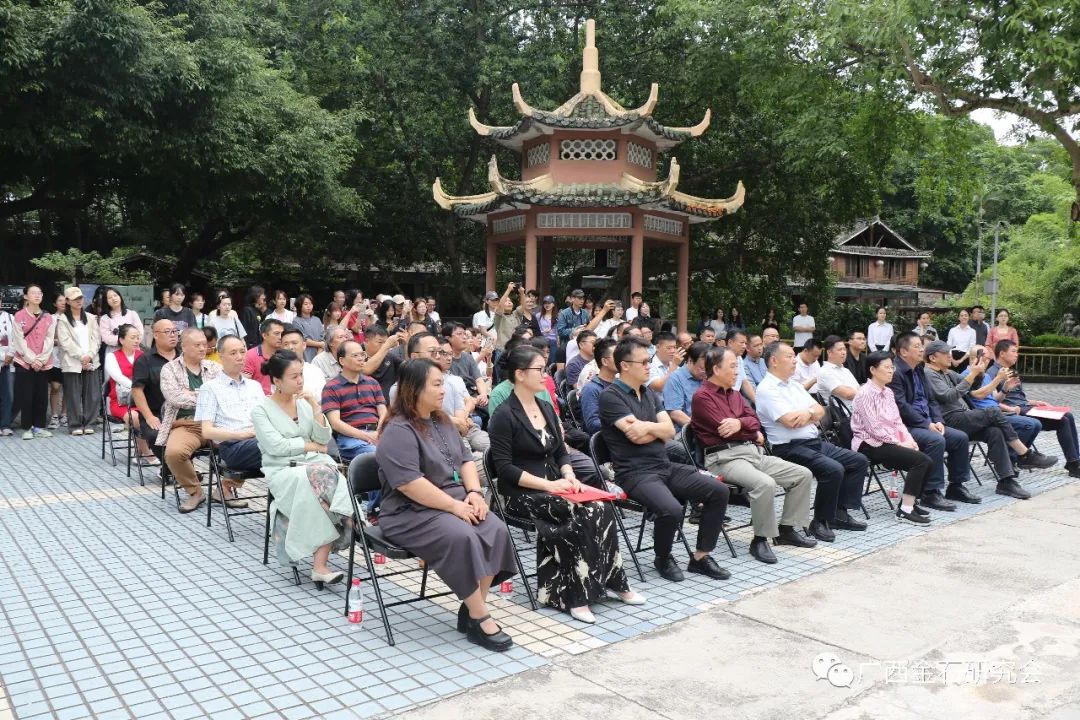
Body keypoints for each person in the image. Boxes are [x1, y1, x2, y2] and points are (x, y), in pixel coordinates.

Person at [489, 345, 643, 623]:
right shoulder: (504, 414)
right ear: (520, 374)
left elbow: (560, 450)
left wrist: (569, 474)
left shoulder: (545, 407)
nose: (545, 375)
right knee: (578, 512)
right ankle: (574, 594)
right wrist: (549, 486)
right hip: (522, 492)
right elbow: (505, 469)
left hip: (555, 482)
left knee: (602, 507)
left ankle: (614, 581)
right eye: (539, 369)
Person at [375, 358, 518, 651]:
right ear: (415, 388)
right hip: (409, 510)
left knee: (495, 529)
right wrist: (455, 507)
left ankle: (473, 607)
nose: (444, 390)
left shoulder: (441, 420)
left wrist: (474, 493)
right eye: (437, 384)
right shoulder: (398, 430)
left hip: (452, 500)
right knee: (462, 536)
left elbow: (465, 460)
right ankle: (480, 617)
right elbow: (409, 484)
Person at [598, 336, 731, 583]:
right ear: (624, 365)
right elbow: (634, 435)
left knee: (719, 491)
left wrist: (648, 428)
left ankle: (700, 557)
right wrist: (655, 429)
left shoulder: (648, 393)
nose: (649, 366)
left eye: (648, 361)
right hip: (634, 473)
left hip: (663, 465)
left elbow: (669, 431)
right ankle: (663, 557)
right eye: (643, 362)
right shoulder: (610, 396)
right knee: (671, 509)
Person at [692, 347, 816, 563]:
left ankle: (787, 529)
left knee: (802, 475)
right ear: (716, 369)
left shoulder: (735, 394)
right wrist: (748, 429)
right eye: (732, 367)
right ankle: (760, 539)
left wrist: (740, 424)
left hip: (752, 452)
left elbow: (755, 421)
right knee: (765, 484)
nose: (737, 372)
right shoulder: (702, 397)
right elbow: (724, 429)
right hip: (724, 458)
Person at [253, 350, 352, 586]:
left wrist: (316, 407)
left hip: (315, 465)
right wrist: (311, 446)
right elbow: (276, 446)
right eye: (294, 377)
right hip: (283, 470)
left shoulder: (304, 403)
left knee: (322, 476)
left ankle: (320, 565)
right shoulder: (261, 410)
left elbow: (324, 438)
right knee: (321, 477)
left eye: (301, 375)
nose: (300, 381)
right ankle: (350, 521)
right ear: (277, 381)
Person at [756, 341, 868, 542]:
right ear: (774, 361)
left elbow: (820, 410)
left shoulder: (793, 385)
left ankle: (839, 513)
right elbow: (790, 421)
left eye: (794, 356)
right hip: (788, 448)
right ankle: (820, 521)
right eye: (789, 356)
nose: (794, 360)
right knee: (832, 469)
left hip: (813, 442)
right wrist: (810, 414)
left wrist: (806, 414)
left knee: (858, 461)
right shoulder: (767, 389)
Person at [922, 339, 1054, 499]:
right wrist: (972, 374)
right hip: (949, 420)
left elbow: (973, 387)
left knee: (994, 432)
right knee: (993, 412)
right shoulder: (928, 374)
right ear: (932, 357)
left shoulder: (947, 373)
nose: (950, 356)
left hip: (963, 417)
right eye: (945, 353)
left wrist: (979, 372)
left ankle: (1006, 481)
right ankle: (1024, 454)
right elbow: (949, 396)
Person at [888, 332, 972, 509]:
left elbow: (931, 400)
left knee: (960, 438)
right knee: (936, 440)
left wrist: (938, 420)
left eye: (921, 345)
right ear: (903, 352)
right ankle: (930, 492)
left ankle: (956, 486)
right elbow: (901, 406)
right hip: (905, 426)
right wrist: (927, 424)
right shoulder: (896, 373)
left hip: (927, 422)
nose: (922, 350)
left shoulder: (919, 369)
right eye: (917, 346)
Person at [849, 352, 934, 524]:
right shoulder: (865, 393)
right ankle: (905, 511)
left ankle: (910, 503)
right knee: (920, 461)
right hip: (869, 443)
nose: (891, 371)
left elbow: (897, 421)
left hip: (888, 440)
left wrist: (909, 440)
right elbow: (873, 428)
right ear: (873, 370)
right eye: (886, 367)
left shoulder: (888, 392)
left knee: (927, 460)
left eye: (892, 367)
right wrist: (899, 443)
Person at [986, 339, 1080, 477]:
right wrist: (1011, 407)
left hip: (1026, 408)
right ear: (1002, 353)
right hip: (1015, 412)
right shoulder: (992, 373)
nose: (1016, 354)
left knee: (1067, 416)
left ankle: (1074, 461)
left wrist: (1036, 402)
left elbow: (1019, 397)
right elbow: (991, 401)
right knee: (1063, 420)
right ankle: (1072, 464)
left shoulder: (1011, 371)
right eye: (1013, 351)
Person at [159, 328, 223, 512]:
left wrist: (191, 394)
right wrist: (206, 396)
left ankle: (225, 489)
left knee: (250, 444)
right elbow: (174, 398)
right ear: (184, 347)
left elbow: (225, 395)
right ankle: (195, 492)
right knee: (174, 453)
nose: (203, 348)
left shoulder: (215, 367)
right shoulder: (170, 369)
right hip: (187, 424)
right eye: (197, 345)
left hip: (217, 422)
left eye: (204, 344)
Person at [195, 335, 265, 503]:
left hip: (260, 441)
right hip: (233, 446)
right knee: (281, 449)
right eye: (233, 353)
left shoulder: (255, 386)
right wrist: (242, 435)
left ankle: (225, 488)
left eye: (242, 351)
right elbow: (207, 431)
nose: (240, 357)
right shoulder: (210, 388)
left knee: (287, 449)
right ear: (221, 356)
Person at [322, 340, 386, 465]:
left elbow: (383, 412)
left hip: (376, 433)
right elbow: (335, 423)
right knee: (381, 454)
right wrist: (366, 436)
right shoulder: (331, 387)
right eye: (355, 355)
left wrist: (379, 431)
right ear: (342, 361)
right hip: (351, 438)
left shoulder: (372, 382)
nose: (361, 359)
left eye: (362, 355)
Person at [103, 324, 155, 463]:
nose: (136, 340)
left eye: (138, 337)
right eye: (132, 337)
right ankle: (147, 453)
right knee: (135, 417)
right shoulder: (112, 357)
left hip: (143, 399)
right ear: (121, 340)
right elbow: (118, 377)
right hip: (121, 402)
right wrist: (137, 388)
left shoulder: (143, 356)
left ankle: (138, 452)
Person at [10, 284, 56, 440]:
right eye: (33, 293)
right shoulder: (19, 316)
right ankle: (27, 427)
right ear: (26, 296)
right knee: (26, 396)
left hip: (43, 363)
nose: (37, 295)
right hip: (24, 362)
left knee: (41, 396)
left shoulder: (48, 317)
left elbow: (49, 339)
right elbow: (19, 340)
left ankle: (39, 427)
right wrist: (31, 359)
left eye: (39, 293)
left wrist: (41, 359)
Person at [55, 287, 102, 436]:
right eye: (75, 299)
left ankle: (90, 423)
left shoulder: (91, 318)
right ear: (68, 301)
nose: (79, 301)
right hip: (72, 361)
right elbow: (65, 342)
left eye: (80, 298)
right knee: (73, 394)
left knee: (92, 394)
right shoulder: (63, 320)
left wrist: (90, 355)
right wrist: (81, 357)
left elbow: (96, 339)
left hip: (91, 359)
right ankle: (74, 424)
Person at [434, 337, 489, 454]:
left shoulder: (456, 379)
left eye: (450, 354)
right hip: (447, 430)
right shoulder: (427, 382)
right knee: (473, 457)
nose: (449, 358)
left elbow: (470, 402)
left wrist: (464, 417)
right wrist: (459, 421)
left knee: (493, 447)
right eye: (444, 354)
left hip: (468, 426)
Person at [131, 319, 179, 452]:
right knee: (157, 437)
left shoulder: (184, 357)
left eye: (175, 331)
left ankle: (179, 464)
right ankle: (170, 464)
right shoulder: (144, 360)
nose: (173, 335)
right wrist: (149, 417)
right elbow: (137, 390)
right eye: (167, 332)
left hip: (183, 414)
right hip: (156, 413)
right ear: (156, 335)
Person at [443, 321, 490, 410]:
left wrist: (483, 395)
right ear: (448, 338)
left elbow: (479, 380)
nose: (464, 337)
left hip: (474, 395)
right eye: (459, 334)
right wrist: (473, 400)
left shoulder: (468, 357)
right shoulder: (445, 361)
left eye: (464, 334)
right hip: (458, 401)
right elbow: (455, 392)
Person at [663, 342, 710, 429]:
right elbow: (674, 413)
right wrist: (700, 429)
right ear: (690, 361)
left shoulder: (710, 376)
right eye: (702, 368)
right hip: (688, 429)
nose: (706, 373)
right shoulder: (675, 378)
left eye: (709, 369)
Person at [280, 325, 327, 400]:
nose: (290, 347)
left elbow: (323, 400)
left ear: (304, 345)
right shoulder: (277, 372)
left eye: (294, 343)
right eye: (286, 344)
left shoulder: (315, 371)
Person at [580, 338, 616, 435]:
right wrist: (621, 423)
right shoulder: (591, 389)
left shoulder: (621, 384)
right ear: (604, 361)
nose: (621, 359)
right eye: (616, 356)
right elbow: (593, 425)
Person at [816, 335, 860, 410]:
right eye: (840, 350)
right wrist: (864, 392)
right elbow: (848, 394)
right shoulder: (825, 372)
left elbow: (858, 389)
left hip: (857, 409)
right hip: (844, 413)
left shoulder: (846, 370)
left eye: (844, 349)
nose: (844, 352)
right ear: (829, 352)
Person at [242, 318, 285, 395]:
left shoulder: (285, 354)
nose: (280, 337)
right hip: (259, 398)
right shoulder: (250, 355)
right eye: (276, 333)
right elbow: (244, 383)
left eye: (282, 334)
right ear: (264, 335)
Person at [363, 324, 404, 399]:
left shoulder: (389, 356)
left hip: (390, 403)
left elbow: (407, 367)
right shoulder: (359, 357)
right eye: (380, 342)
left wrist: (408, 345)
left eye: (385, 342)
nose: (383, 345)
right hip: (369, 402)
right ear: (367, 341)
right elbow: (366, 369)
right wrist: (387, 345)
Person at [98, 287, 142, 355]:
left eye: (115, 295)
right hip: (114, 352)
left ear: (120, 297)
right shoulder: (105, 319)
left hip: (133, 351)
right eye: (109, 298)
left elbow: (140, 332)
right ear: (106, 301)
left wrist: (130, 341)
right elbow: (106, 338)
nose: (113, 298)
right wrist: (126, 341)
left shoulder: (132, 314)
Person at [292, 294, 325, 363]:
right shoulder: (296, 321)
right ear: (300, 305)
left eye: (310, 303)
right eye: (306, 304)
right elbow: (303, 339)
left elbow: (323, 337)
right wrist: (320, 344)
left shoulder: (317, 319)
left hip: (320, 353)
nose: (309, 306)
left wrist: (318, 354)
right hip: (306, 354)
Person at [0, 307, 13, 436]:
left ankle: (5, 424)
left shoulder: (9, 318)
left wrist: (10, 354)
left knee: (7, 394)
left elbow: (15, 338)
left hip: (6, 361)